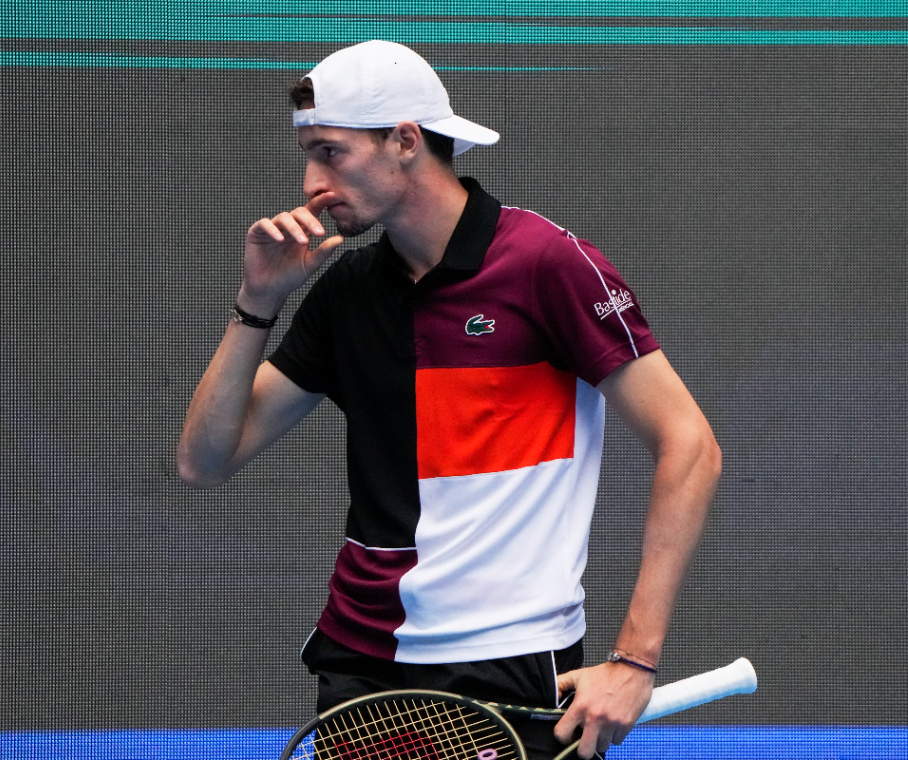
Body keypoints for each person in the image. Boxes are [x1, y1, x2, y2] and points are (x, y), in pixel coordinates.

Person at [176, 39, 721, 760]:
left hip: (513, 664)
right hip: (360, 660)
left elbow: (691, 446)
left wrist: (635, 661)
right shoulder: (347, 291)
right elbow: (205, 461)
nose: (311, 182)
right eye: (307, 155)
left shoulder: (546, 264)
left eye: (330, 153)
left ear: (404, 140)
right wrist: (257, 302)